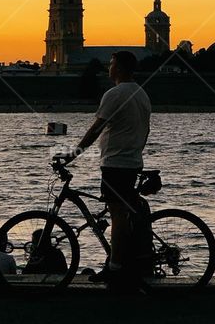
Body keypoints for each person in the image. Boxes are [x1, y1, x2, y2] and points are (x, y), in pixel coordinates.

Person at [61, 50, 151, 292]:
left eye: (111, 64)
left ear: (119, 68)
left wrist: (71, 155)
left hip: (115, 164)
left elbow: (95, 130)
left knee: (118, 216)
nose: (108, 68)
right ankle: (126, 261)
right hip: (132, 161)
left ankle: (115, 267)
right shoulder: (141, 94)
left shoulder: (115, 94)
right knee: (122, 214)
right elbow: (145, 130)